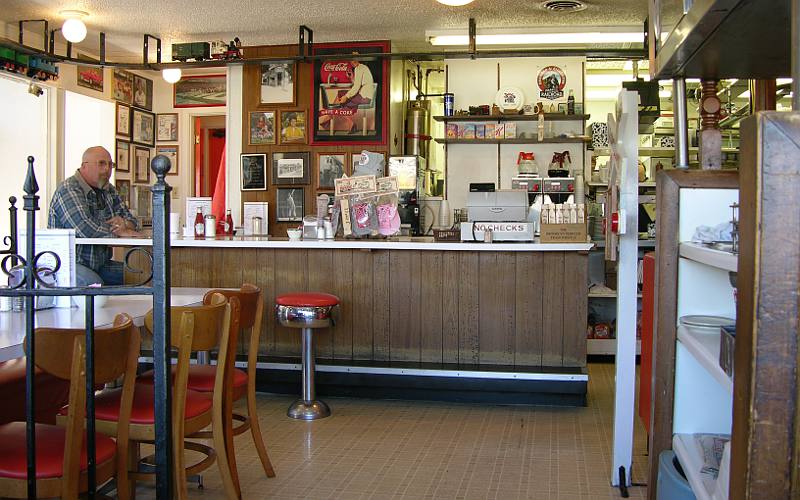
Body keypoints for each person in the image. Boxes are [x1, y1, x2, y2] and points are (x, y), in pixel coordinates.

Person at [48, 146, 142, 285]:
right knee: (95, 284)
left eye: (111, 165)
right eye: (102, 163)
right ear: (84, 166)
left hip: (100, 265)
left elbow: (134, 221)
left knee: (143, 274)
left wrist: (125, 224)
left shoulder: (108, 190)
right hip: (68, 265)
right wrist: (122, 231)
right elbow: (85, 228)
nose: (107, 170)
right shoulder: (69, 189)